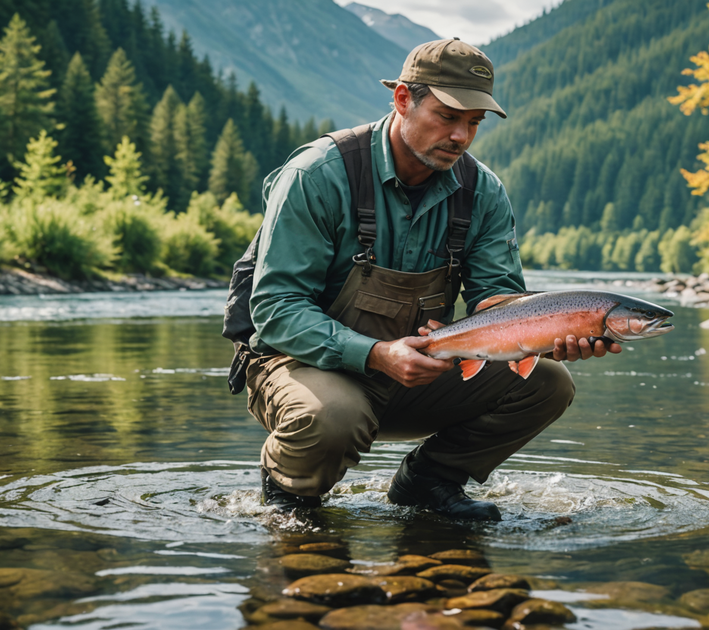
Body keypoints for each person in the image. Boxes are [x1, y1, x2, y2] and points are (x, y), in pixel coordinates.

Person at [231, 38, 620, 522]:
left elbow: (496, 302)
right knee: (331, 418)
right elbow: (275, 309)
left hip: (417, 367)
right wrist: (375, 354)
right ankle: (291, 496)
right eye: (448, 116)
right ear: (402, 101)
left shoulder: (483, 192)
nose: (461, 136)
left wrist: (544, 334)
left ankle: (428, 482)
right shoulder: (319, 174)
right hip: (301, 365)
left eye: (474, 123)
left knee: (546, 383)